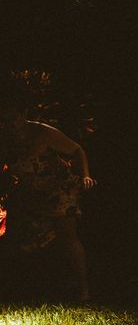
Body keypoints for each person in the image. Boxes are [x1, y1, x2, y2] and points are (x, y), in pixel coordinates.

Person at [0, 91, 97, 300]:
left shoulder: (43, 133)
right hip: (31, 192)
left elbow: (77, 149)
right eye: (6, 120)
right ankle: (37, 287)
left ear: (23, 115)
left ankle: (83, 289)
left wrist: (85, 176)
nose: (11, 124)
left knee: (67, 235)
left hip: (59, 188)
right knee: (28, 239)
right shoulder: (6, 138)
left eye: (14, 118)